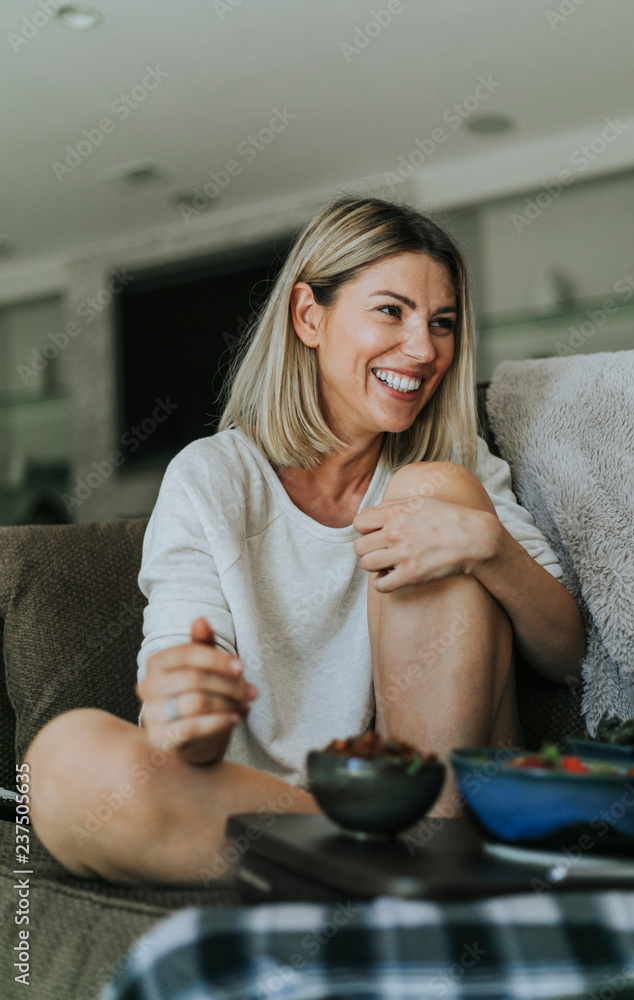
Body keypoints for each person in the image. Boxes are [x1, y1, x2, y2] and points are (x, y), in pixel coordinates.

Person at [25, 197, 586, 883]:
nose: (424, 348)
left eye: (441, 323)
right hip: (284, 809)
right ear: (308, 317)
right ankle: (387, 876)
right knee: (60, 761)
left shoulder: (453, 461)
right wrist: (185, 712)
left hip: (430, 797)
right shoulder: (211, 477)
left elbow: (564, 654)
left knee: (432, 490)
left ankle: (424, 847)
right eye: (391, 311)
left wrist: (486, 545)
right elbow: (174, 727)